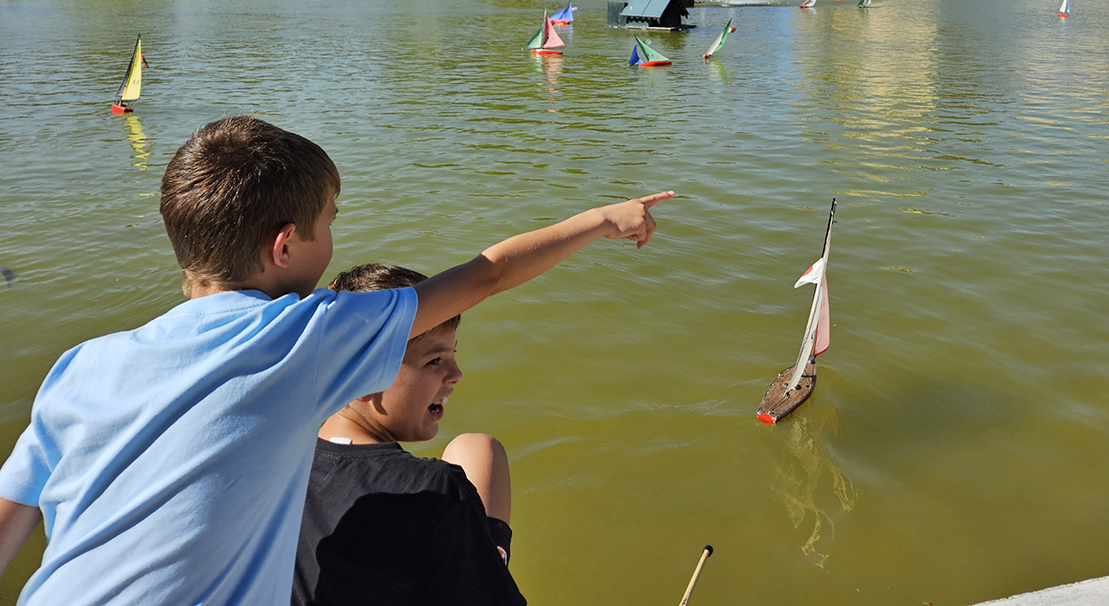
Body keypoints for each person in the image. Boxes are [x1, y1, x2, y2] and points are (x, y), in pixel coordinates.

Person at [0, 116, 671, 605]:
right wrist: (603, 220)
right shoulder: (299, 337)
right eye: (330, 220)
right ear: (286, 245)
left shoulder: (81, 365)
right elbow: (487, 274)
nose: (333, 238)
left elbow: (11, 521)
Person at [293, 263, 524, 606]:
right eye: (434, 360)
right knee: (479, 450)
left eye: (453, 354)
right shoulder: (433, 490)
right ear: (362, 377)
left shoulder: (283, 467)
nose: (456, 374)